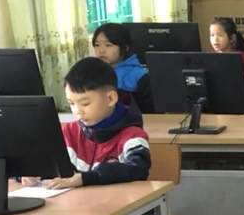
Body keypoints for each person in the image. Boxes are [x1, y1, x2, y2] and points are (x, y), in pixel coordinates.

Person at [23, 57, 150, 189]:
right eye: (71, 103)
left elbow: (137, 169)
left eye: (85, 103)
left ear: (111, 98)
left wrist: (85, 178)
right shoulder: (69, 131)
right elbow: (45, 162)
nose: (77, 111)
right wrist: (32, 173)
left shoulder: (132, 135)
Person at [91, 23, 153, 113]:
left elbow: (151, 113)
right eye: (97, 45)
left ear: (125, 47)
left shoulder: (140, 76)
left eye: (108, 45)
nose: (101, 50)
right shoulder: (92, 74)